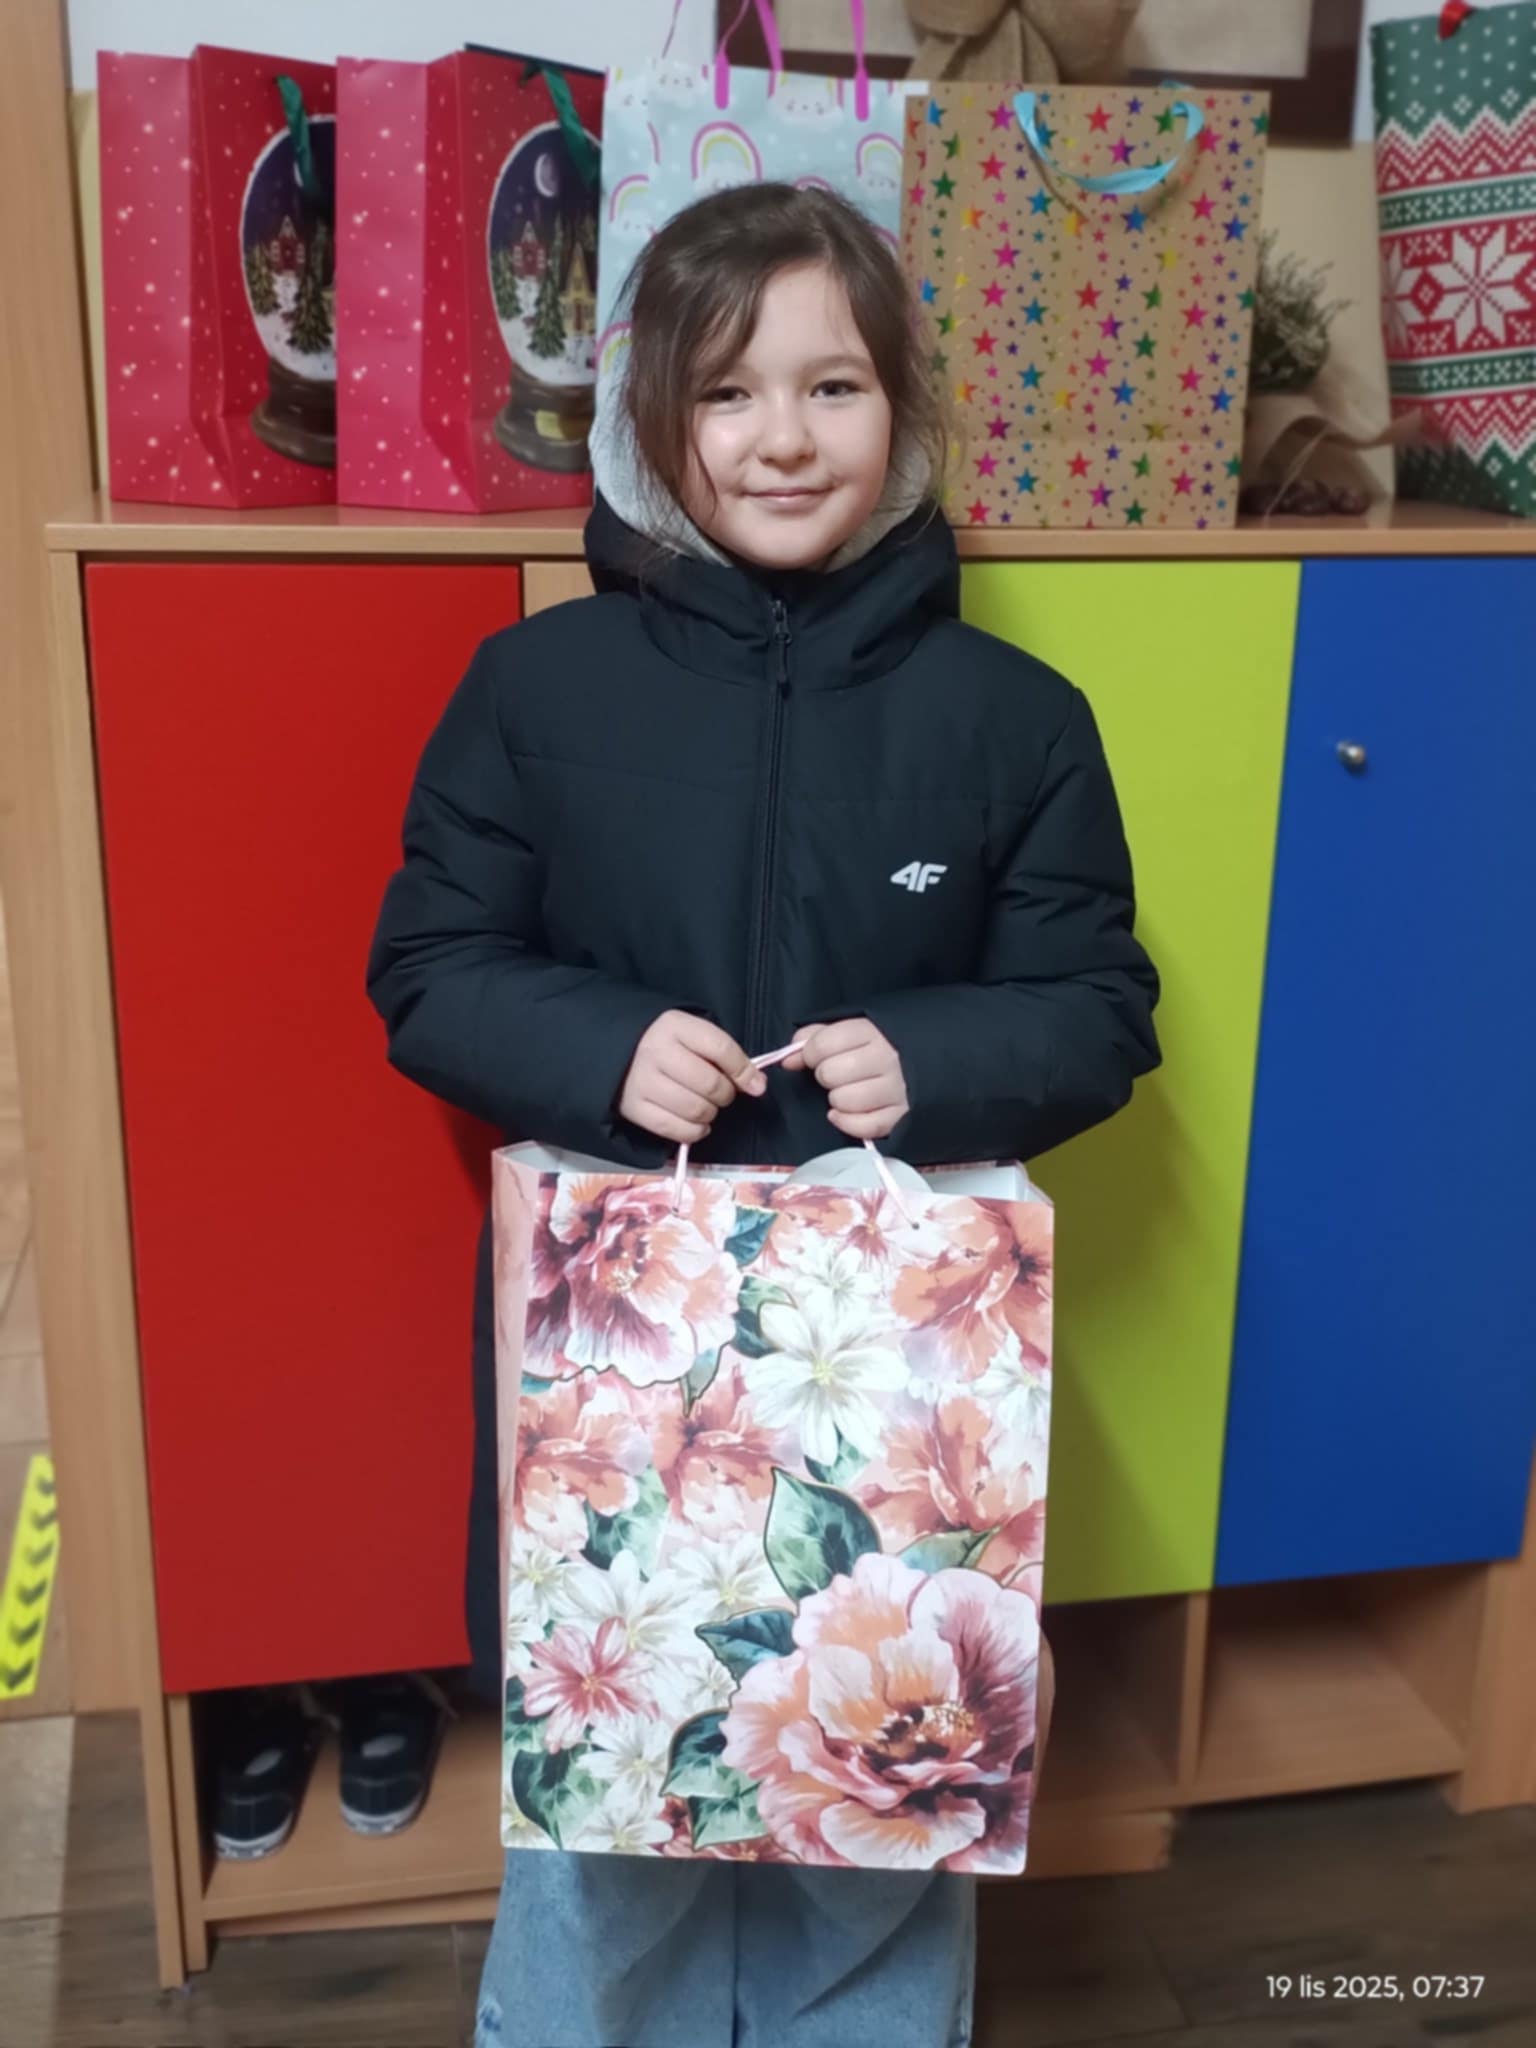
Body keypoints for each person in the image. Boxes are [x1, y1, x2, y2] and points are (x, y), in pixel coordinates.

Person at [366, 181, 1161, 2048]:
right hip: (618, 1345)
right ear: (652, 416)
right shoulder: (534, 686)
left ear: (903, 412)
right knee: (607, 1784)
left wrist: (931, 1057)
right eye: (728, 392)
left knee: (878, 1785)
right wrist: (603, 1047)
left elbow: (1098, 1007)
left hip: (891, 1360)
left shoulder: (1014, 716)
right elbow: (430, 966)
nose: (782, 437)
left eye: (832, 386)